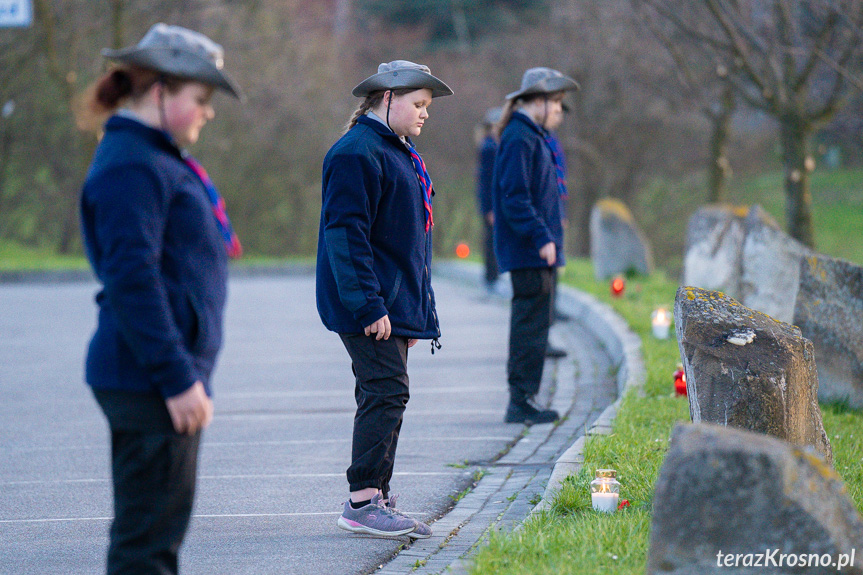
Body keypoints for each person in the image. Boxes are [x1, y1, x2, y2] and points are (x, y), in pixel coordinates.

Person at [77, 23, 242, 574]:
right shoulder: (132, 163)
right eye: (201, 99)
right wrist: (177, 379)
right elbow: (132, 279)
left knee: (154, 540)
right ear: (159, 92)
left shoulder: (151, 156)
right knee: (146, 549)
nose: (208, 112)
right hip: (148, 379)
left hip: (155, 376)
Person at [316, 60, 452, 539]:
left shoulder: (396, 150)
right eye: (418, 104)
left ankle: (376, 493)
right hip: (367, 305)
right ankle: (363, 500)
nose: (424, 114)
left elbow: (406, 243)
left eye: (427, 106)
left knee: (384, 391)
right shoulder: (356, 152)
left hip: (391, 306)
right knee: (387, 391)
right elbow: (346, 235)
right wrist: (370, 306)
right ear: (387, 98)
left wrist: (414, 316)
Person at [492, 67, 579, 425]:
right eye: (555, 101)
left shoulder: (532, 135)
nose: (558, 109)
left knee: (537, 324)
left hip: (538, 250)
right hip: (528, 250)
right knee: (529, 326)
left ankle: (528, 397)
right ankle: (520, 401)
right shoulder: (519, 137)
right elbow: (514, 197)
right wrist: (541, 236)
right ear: (538, 100)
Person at [475, 107, 502, 295]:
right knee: (491, 242)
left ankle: (493, 278)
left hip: (493, 204)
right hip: (491, 205)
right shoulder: (489, 148)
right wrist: (490, 209)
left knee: (494, 241)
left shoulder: (492, 146)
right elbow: (487, 181)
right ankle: (491, 280)